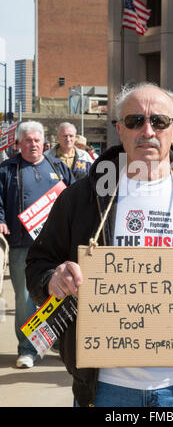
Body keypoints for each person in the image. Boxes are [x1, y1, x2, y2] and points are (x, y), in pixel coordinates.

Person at [26, 83, 173, 407]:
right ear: (120, 130)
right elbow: (38, 263)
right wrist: (53, 279)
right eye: (135, 121)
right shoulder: (81, 197)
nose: (147, 130)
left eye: (159, 122)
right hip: (105, 390)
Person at [0, 121, 74, 368]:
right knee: (25, 298)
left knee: (57, 295)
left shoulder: (59, 167)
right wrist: (0, 220)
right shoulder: (7, 170)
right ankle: (27, 349)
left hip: (56, 246)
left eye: (37, 140)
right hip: (23, 245)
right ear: (19, 143)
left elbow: (76, 199)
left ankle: (51, 339)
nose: (33, 144)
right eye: (28, 140)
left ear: (44, 143)